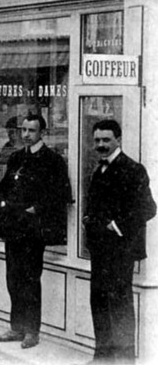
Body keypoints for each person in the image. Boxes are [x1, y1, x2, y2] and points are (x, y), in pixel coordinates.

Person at [0, 114, 72, 349]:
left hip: (33, 230)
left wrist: (36, 208)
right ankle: (16, 327)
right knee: (13, 279)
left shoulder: (52, 160)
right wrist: (1, 213)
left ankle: (32, 331)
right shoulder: (16, 157)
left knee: (30, 280)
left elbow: (60, 194)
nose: (26, 135)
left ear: (42, 133)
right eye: (23, 130)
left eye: (31, 131)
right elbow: (5, 187)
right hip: (13, 228)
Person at [83, 119, 156, 362]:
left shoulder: (133, 169)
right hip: (100, 250)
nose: (101, 145)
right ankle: (102, 356)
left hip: (120, 250)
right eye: (97, 140)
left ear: (118, 140)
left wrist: (116, 225)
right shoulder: (99, 168)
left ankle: (125, 360)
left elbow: (149, 208)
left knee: (120, 304)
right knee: (99, 301)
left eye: (106, 140)